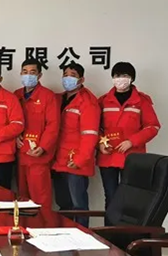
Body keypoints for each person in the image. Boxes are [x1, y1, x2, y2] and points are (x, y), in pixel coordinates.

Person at [98, 62, 160, 210]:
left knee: (131, 197)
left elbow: (153, 126)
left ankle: (128, 226)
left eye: (125, 75)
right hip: (108, 155)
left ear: (132, 78)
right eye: (117, 75)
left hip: (132, 155)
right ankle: (110, 226)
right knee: (111, 196)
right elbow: (94, 127)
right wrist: (100, 143)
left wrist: (132, 141)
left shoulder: (141, 101)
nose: (120, 79)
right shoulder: (103, 101)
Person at [52, 62, 100, 227]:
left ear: (81, 79)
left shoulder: (88, 102)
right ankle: (65, 234)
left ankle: (82, 235)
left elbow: (90, 134)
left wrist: (80, 159)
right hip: (58, 160)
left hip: (76, 162)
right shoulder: (58, 99)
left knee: (78, 205)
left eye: (72, 76)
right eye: (65, 75)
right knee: (63, 203)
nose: (68, 79)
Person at [14, 58, 60, 207]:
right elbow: (11, 122)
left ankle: (43, 222)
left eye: (32, 72)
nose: (28, 75)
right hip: (21, 154)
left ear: (39, 75)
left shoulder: (48, 96)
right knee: (22, 199)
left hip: (38, 156)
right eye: (25, 72)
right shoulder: (16, 95)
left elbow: (53, 125)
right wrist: (15, 137)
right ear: (20, 73)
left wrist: (43, 147)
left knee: (40, 199)